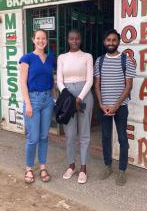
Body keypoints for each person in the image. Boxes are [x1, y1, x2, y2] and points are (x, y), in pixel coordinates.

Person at [94, 29, 136, 186]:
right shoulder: (100, 61)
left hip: (121, 107)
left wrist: (116, 106)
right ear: (104, 42)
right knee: (105, 137)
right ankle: (107, 166)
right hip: (104, 107)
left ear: (118, 42)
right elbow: (97, 85)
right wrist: (101, 104)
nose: (110, 43)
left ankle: (122, 170)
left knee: (122, 138)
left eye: (113, 40)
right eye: (108, 40)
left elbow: (129, 86)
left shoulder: (126, 60)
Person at [19, 29, 56, 184]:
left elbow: (52, 80)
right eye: (38, 38)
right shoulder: (27, 58)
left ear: (46, 41)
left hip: (47, 100)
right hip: (33, 101)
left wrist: (54, 98)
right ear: (33, 39)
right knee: (33, 138)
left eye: (44, 38)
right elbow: (22, 82)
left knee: (44, 137)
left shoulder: (50, 59)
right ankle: (28, 168)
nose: (41, 41)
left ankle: (42, 166)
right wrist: (28, 103)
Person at [57, 29, 94, 184]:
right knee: (70, 135)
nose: (74, 41)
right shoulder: (62, 57)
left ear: (80, 39)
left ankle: (83, 168)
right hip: (67, 97)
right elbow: (59, 80)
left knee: (84, 134)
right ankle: (71, 165)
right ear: (68, 40)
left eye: (77, 38)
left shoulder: (87, 56)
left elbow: (90, 80)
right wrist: (69, 98)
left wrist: (79, 98)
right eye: (71, 38)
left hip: (84, 95)